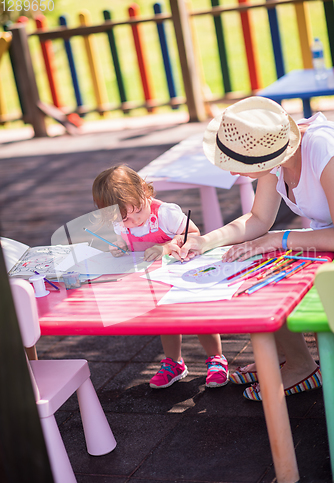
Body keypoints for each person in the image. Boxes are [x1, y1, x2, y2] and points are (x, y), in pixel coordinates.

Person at [170, 96, 334, 401]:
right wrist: (204, 241)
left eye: (239, 165)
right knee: (259, 266)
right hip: (324, 242)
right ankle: (291, 358)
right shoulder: (277, 153)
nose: (233, 173)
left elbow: (275, 232)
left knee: (271, 259)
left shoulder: (323, 149)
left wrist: (280, 239)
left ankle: (301, 365)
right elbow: (259, 219)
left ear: (263, 158)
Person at [92, 164, 229, 389]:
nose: (133, 221)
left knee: (199, 317)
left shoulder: (165, 213)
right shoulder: (122, 221)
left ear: (145, 191)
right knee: (166, 320)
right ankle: (174, 362)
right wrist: (119, 247)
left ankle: (216, 358)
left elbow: (193, 234)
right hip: (156, 279)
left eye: (137, 211)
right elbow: (128, 242)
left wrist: (166, 246)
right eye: (125, 219)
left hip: (184, 273)